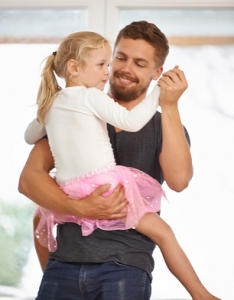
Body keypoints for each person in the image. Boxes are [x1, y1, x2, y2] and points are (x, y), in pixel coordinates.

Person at [18, 22, 220, 300]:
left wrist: (169, 105)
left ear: (157, 73)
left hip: (124, 267)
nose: (125, 68)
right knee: (41, 211)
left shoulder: (162, 126)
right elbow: (29, 182)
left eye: (139, 63)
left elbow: (179, 181)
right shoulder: (77, 112)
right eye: (120, 58)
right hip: (62, 265)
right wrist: (82, 208)